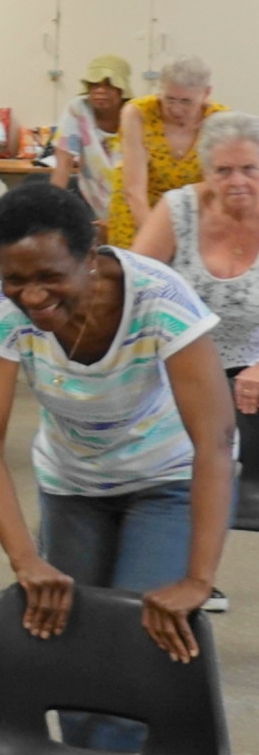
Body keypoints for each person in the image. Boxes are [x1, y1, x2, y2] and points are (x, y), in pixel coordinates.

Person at [0, 181, 232, 755]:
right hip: (73, 485)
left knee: (132, 658)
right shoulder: (6, 314)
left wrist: (197, 580)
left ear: (92, 255)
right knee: (72, 668)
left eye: (51, 275)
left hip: (165, 484)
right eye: (15, 280)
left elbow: (214, 442)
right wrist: (25, 560)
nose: (32, 294)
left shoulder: (160, 299)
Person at [129, 110, 259, 615]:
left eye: (250, 169)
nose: (238, 182)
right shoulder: (178, 209)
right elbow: (134, 289)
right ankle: (187, 571)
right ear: (205, 171)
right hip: (177, 365)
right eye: (224, 171)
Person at [111, 55, 228, 251]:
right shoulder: (137, 113)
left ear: (206, 93)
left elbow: (216, 186)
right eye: (169, 99)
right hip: (138, 211)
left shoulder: (220, 121)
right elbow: (134, 190)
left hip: (191, 215)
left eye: (186, 102)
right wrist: (157, 239)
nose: (176, 109)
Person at [51, 55, 130, 224]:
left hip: (132, 205)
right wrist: (49, 211)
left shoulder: (136, 113)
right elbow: (63, 164)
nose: (100, 91)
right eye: (94, 85)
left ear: (122, 90)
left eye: (109, 85)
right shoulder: (78, 109)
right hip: (93, 203)